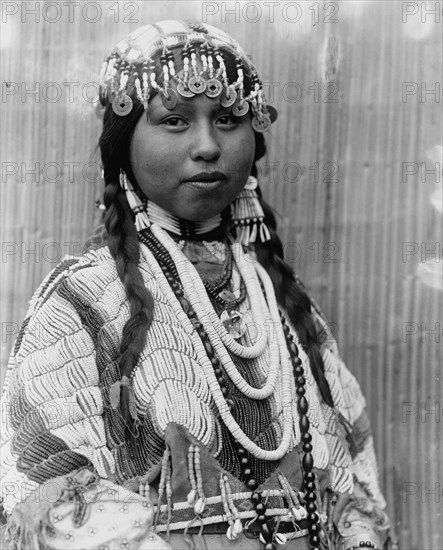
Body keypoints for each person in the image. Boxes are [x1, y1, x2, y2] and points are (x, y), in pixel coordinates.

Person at [0, 20, 397, 550]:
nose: (207, 145)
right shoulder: (82, 303)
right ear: (124, 146)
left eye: (229, 118)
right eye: (175, 121)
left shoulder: (289, 310)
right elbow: (45, 497)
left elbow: (357, 492)